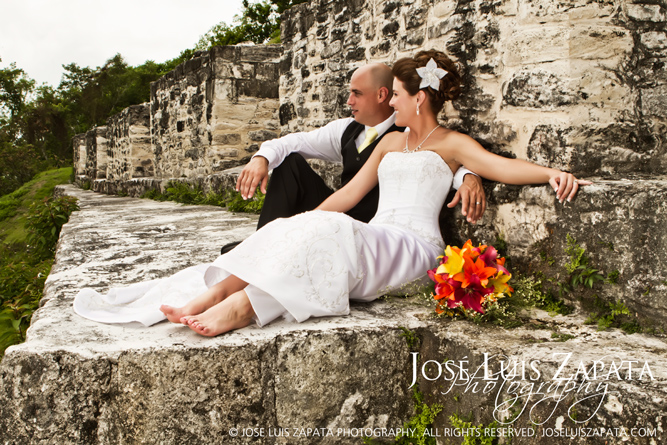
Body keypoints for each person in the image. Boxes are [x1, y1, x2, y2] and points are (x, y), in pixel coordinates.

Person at [73, 50, 589, 336]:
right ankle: (216, 293)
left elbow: (501, 166)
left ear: (418, 98)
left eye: (402, 97)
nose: (395, 105)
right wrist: (298, 223)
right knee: (315, 223)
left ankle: (242, 307)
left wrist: (551, 173)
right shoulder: (390, 142)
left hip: (414, 247)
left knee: (332, 232)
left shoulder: (453, 144)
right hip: (374, 231)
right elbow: (344, 198)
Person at [220, 62, 486, 254]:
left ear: (383, 95)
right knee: (289, 162)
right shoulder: (345, 129)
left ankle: (277, 245)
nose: (349, 101)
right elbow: (294, 141)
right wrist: (261, 158)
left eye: (356, 93)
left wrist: (468, 175)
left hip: (374, 231)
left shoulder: (407, 132)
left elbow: (436, 159)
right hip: (337, 209)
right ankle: (262, 243)